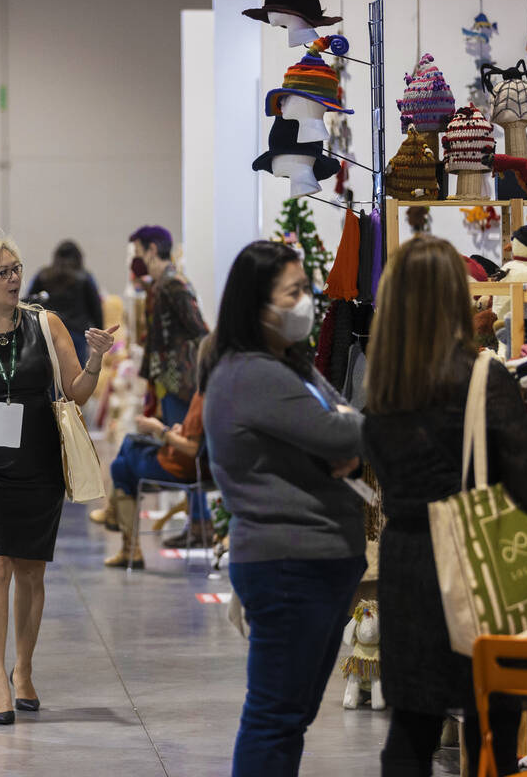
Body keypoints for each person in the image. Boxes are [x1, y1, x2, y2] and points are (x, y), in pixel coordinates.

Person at [363, 235, 527, 776]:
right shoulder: (482, 377)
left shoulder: (383, 387)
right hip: (481, 558)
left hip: (408, 565)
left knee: (411, 730)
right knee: (492, 728)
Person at [0, 235, 116, 725]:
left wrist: (96, 357)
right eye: (3, 272)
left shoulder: (46, 323)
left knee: (32, 572)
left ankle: (24, 669)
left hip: (40, 462)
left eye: (17, 269)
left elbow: (76, 392)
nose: (15, 279)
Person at [203, 240, 366, 777]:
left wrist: (341, 441)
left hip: (314, 562)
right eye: (294, 293)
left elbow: (341, 421)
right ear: (257, 305)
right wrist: (341, 441)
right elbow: (344, 427)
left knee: (289, 716)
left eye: (306, 290)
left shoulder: (287, 365)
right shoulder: (252, 372)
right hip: (291, 564)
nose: (306, 304)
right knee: (276, 717)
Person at [118, 225, 209, 545]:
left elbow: (199, 329)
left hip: (180, 382)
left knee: (188, 453)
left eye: (140, 251)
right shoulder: (163, 284)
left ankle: (200, 527)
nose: (138, 258)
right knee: (184, 452)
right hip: (173, 380)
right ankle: (198, 525)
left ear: (153, 249)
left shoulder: (173, 284)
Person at [102, 333, 213, 569]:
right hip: (204, 468)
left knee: (123, 459)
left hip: (184, 468)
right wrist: (180, 430)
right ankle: (124, 540)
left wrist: (160, 430)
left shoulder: (204, 395)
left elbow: (193, 448)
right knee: (123, 460)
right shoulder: (224, 394)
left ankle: (123, 537)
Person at [27, 239, 104, 363]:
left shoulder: (43, 275)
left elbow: (29, 302)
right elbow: (96, 309)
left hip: (48, 333)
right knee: (77, 375)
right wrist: (100, 335)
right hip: (77, 334)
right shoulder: (85, 277)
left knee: (50, 374)